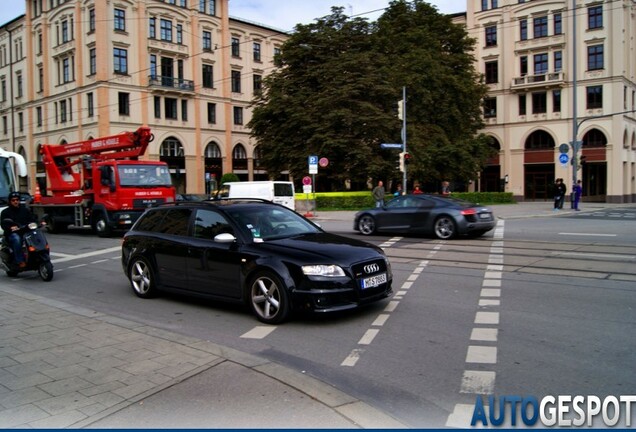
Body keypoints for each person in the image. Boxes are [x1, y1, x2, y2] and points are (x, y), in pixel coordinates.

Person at [1, 192, 37, 268]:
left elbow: (32, 219)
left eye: (17, 200)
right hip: (12, 233)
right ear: (10, 201)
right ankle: (20, 260)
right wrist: (10, 228)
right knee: (16, 239)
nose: (15, 202)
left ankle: (38, 256)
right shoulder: (5, 212)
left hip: (25, 231)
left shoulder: (25, 210)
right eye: (13, 200)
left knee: (36, 235)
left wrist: (37, 222)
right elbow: (3, 224)